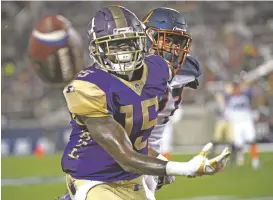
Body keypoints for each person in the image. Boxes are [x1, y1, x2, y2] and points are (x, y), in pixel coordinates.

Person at [59, 5, 230, 200]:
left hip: (134, 173)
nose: (123, 52)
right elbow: (125, 154)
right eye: (115, 45)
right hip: (96, 175)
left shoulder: (159, 70)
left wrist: (156, 158)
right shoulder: (89, 86)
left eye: (129, 43)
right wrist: (180, 167)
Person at [142, 7, 201, 195]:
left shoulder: (187, 70)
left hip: (149, 156)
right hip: (128, 154)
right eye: (168, 40)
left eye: (179, 42)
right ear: (149, 38)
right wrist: (164, 164)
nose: (175, 49)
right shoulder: (133, 72)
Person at [222, 79, 260, 169]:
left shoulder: (245, 96)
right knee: (239, 143)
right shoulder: (230, 98)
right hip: (237, 123)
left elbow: (251, 91)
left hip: (247, 121)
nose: (236, 89)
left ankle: (255, 160)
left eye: (237, 87)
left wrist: (243, 85)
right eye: (235, 87)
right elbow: (224, 94)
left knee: (252, 140)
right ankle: (240, 157)